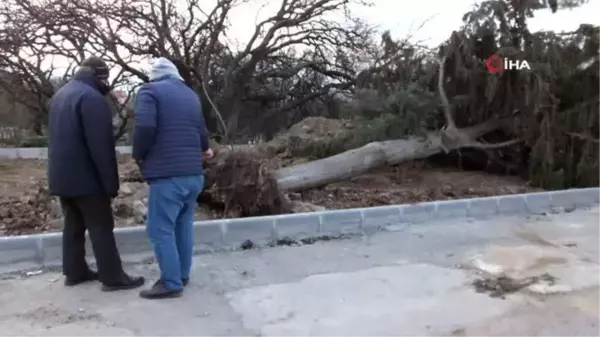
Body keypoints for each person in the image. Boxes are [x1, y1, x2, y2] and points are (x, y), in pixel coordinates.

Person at [47, 56, 145, 291]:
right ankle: (113, 278)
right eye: (105, 78)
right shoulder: (92, 99)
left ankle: (75, 272)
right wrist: (110, 184)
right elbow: (101, 147)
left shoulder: (61, 95)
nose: (107, 84)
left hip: (61, 176)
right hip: (87, 179)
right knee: (101, 227)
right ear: (98, 76)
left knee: (73, 226)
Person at [133, 57, 213, 299]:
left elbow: (145, 127)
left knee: (160, 229)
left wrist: (139, 155)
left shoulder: (149, 91)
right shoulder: (190, 95)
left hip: (168, 176)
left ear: (154, 76)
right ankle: (182, 274)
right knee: (183, 225)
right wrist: (204, 148)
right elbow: (201, 132)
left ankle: (170, 281)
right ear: (176, 75)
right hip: (194, 175)